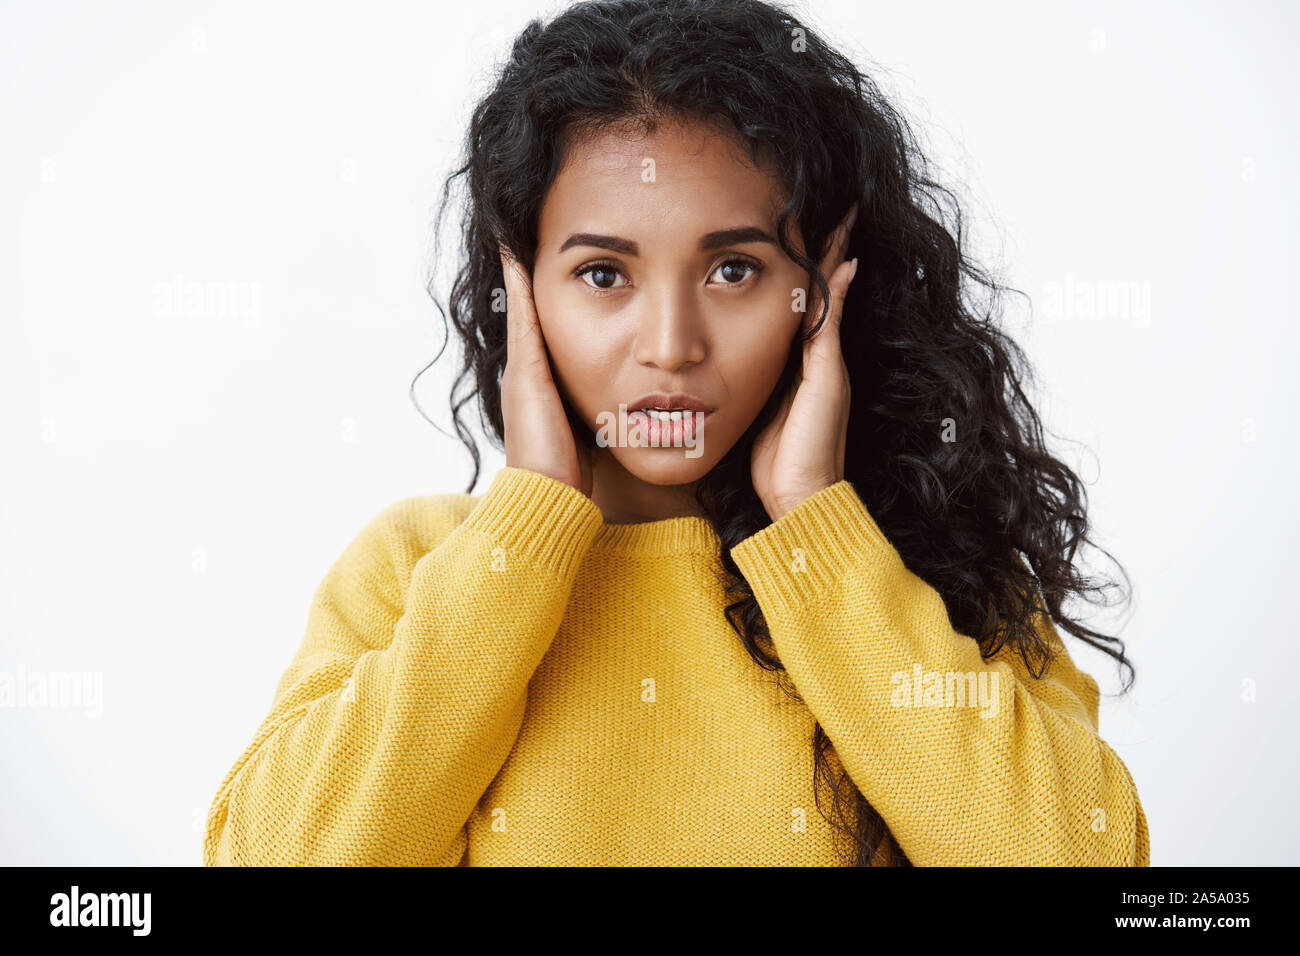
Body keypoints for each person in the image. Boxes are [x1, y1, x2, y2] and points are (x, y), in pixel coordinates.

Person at [203, 0, 1149, 866]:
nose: (670, 347)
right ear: (521, 291)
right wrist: (527, 527)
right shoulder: (418, 569)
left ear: (819, 289)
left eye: (733, 269)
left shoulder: (936, 574)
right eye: (605, 276)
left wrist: (817, 529)